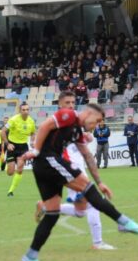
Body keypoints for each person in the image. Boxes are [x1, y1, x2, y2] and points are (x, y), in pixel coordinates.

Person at [19, 94, 138, 261]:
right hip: (48, 160)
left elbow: (87, 155)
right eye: (96, 121)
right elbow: (45, 125)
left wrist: (100, 181)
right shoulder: (69, 115)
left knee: (52, 213)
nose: (96, 126)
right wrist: (36, 150)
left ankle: (30, 257)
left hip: (44, 168)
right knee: (88, 190)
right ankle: (122, 221)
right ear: (88, 114)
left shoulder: (78, 131)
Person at [36, 92, 116, 251]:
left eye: (73, 103)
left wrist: (85, 135)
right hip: (71, 170)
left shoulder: (73, 123)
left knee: (80, 212)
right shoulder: (58, 123)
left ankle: (45, 207)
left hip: (75, 169)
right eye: (67, 103)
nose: (71, 106)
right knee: (94, 203)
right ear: (60, 105)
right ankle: (98, 243)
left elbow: (84, 141)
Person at [2, 102, 36, 197]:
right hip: (12, 146)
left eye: (27, 109)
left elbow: (33, 132)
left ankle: (10, 191)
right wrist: (7, 144)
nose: (25, 111)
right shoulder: (13, 120)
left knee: (20, 169)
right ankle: (6, 163)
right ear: (20, 111)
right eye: (23, 110)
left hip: (23, 147)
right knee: (10, 172)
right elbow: (3, 132)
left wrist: (32, 141)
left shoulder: (31, 121)